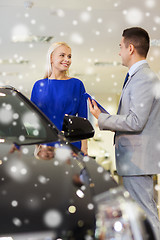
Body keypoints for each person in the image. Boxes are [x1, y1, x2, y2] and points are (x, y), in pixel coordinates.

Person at [89, 27, 160, 238]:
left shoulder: (144, 78)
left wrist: (101, 118)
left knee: (147, 214)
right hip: (134, 161)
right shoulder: (137, 77)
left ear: (130, 48)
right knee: (141, 214)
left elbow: (136, 122)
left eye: (120, 47)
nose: (119, 52)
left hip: (138, 160)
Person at [31, 42, 88, 155]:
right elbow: (33, 119)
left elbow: (83, 120)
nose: (67, 59)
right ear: (51, 57)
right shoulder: (39, 85)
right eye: (62, 55)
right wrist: (37, 144)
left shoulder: (77, 84)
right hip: (45, 147)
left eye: (69, 56)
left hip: (71, 147)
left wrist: (84, 148)